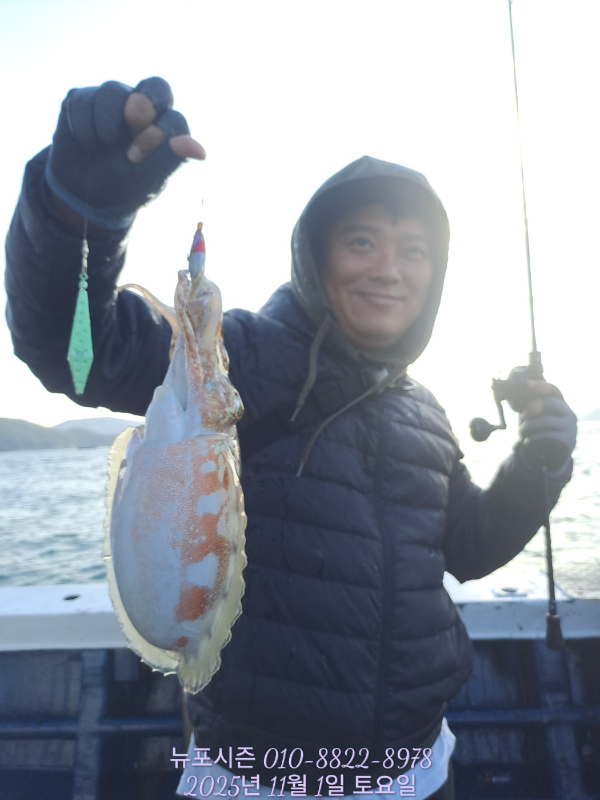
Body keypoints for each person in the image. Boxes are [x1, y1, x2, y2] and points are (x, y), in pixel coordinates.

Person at [5, 78, 577, 800]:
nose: (389, 269)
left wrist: (538, 464)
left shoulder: (423, 408)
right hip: (257, 780)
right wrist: (75, 216)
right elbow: (77, 356)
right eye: (361, 241)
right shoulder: (236, 354)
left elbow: (467, 548)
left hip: (422, 771)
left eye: (414, 250)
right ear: (314, 255)